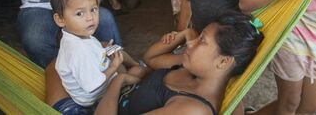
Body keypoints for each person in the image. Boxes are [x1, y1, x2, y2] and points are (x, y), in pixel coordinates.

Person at [93, 11, 264, 115]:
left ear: (223, 61)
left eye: (201, 40)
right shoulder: (193, 69)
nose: (190, 42)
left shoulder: (193, 110)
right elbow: (150, 58)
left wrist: (118, 81)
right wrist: (184, 33)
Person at [50, 0, 141, 112]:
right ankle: (140, 78)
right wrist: (114, 66)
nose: (90, 18)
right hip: (94, 96)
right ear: (60, 19)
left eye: (93, 10)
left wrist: (104, 51)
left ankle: (136, 66)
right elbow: (92, 86)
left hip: (96, 76)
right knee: (131, 74)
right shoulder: (78, 50)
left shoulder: (76, 35)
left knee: (114, 50)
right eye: (80, 14)